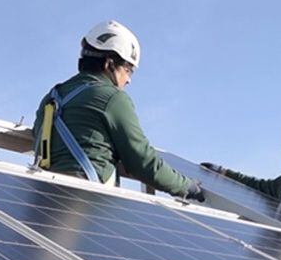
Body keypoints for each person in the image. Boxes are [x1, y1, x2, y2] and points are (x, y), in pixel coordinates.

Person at [33, 20, 204, 201]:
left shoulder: (51, 97)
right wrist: (187, 186)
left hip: (43, 197)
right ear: (109, 64)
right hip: (84, 203)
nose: (129, 80)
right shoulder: (112, 98)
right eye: (128, 69)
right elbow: (142, 161)